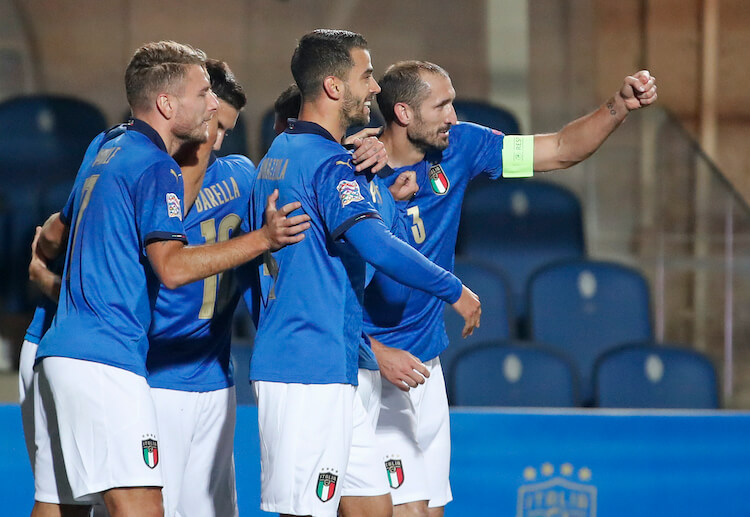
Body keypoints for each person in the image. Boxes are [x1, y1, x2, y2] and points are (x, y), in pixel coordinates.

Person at [363, 60, 658, 517]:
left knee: (424, 513)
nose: (452, 117)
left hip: (424, 364)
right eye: (441, 106)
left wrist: (617, 107)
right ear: (403, 113)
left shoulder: (461, 146)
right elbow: (313, 280)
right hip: (370, 369)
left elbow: (559, 149)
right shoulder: (352, 168)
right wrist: (371, 350)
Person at [31, 41, 310, 517]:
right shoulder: (155, 165)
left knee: (61, 507)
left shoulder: (108, 147)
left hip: (71, 351)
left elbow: (55, 233)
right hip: (111, 359)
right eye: (204, 97)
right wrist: (264, 239)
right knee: (140, 505)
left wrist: (53, 277)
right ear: (166, 104)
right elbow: (173, 268)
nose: (211, 113)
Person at [249, 29, 481, 517]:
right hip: (304, 369)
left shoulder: (281, 156)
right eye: (366, 75)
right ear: (334, 87)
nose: (375, 88)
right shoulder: (324, 162)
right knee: (305, 511)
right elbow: (376, 245)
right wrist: (452, 288)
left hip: (333, 365)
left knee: (375, 508)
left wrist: (375, 188)